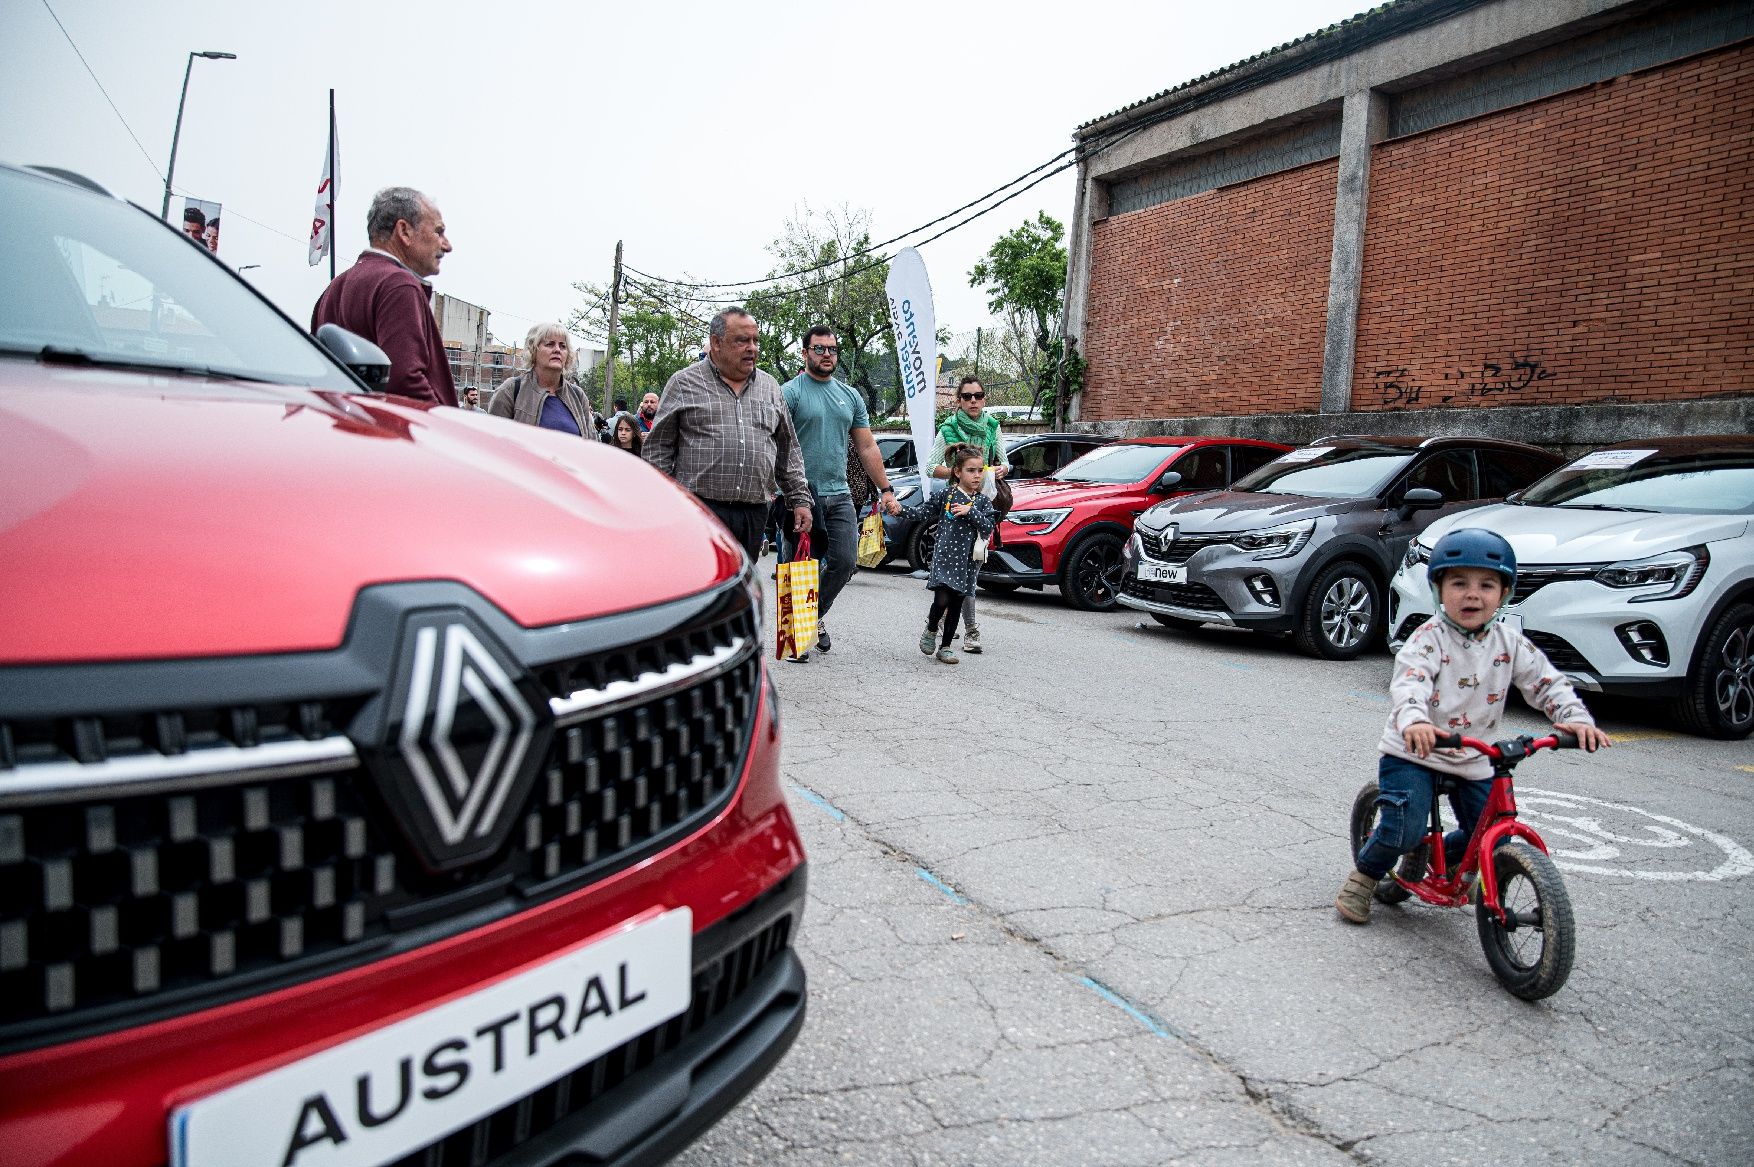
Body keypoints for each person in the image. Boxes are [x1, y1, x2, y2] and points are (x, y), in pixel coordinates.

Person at [1334, 528, 1612, 925]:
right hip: (1416, 750)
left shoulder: (1510, 643)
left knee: (1494, 831)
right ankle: (1365, 876)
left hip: (1474, 755)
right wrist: (1414, 721)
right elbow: (1410, 683)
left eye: (1487, 585)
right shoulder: (1428, 640)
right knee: (1403, 829)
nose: (1472, 594)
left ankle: (1442, 853)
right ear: (1439, 589)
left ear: (1504, 594)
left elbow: (1546, 682)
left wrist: (1575, 719)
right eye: (1459, 583)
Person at [644, 306, 811, 565]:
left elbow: (788, 450)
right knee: (701, 588)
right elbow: (658, 450)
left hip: (753, 513)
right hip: (699, 510)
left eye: (755, 341)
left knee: (741, 590)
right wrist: (662, 503)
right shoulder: (684, 383)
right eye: (742, 340)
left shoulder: (770, 387)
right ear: (716, 343)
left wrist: (799, 498)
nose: (752, 348)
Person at [781, 325, 903, 654]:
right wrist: (784, 492)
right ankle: (796, 639)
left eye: (832, 349)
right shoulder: (790, 393)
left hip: (840, 495)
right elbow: (776, 444)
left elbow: (867, 448)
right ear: (805, 353)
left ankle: (811, 615)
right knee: (799, 565)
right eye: (819, 349)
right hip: (800, 496)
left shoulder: (850, 396)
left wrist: (886, 489)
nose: (826, 355)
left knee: (846, 562)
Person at [311, 187, 457, 407]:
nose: (447, 245)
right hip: (395, 435)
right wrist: (445, 426)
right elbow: (404, 380)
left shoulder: (333, 288)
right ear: (404, 231)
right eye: (439, 231)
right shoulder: (399, 285)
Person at [925, 376, 1011, 653]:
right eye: (967, 396)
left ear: (984, 398)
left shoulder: (992, 426)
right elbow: (929, 467)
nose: (973, 401)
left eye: (978, 395)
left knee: (970, 574)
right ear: (959, 400)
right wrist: (960, 472)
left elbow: (1004, 461)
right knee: (953, 578)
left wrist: (998, 470)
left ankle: (968, 630)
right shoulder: (949, 428)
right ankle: (940, 625)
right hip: (955, 509)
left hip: (981, 508)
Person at [906, 444, 994, 665]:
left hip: (967, 563)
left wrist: (970, 511)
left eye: (979, 470)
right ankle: (931, 627)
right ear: (957, 472)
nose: (976, 476)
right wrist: (899, 509)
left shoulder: (982, 502)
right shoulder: (947, 494)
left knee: (956, 604)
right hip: (945, 557)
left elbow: (988, 527)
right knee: (942, 599)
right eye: (970, 470)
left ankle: (945, 648)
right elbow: (922, 512)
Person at [486, 323, 595, 435]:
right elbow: (491, 442)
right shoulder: (511, 390)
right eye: (550, 344)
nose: (557, 350)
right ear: (533, 350)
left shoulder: (578, 396)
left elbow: (592, 446)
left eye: (563, 346)